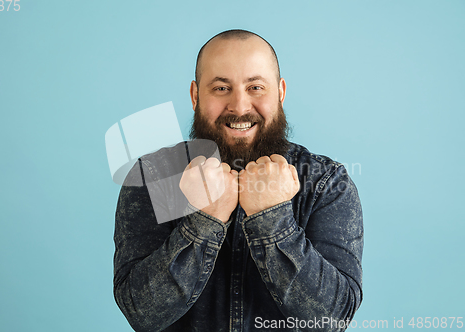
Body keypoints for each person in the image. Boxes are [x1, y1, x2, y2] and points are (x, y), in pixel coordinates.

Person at [113, 29, 363, 332]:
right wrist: (205, 220)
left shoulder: (327, 182)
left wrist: (272, 221)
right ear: (195, 95)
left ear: (280, 93)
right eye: (221, 88)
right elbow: (142, 314)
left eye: (256, 87)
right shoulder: (150, 177)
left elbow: (332, 319)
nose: (240, 107)